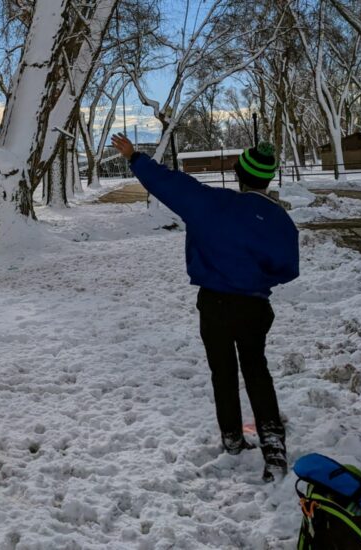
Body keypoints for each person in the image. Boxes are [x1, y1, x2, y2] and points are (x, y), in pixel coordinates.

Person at [110, 134, 299, 482]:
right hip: (255, 307)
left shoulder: (211, 203)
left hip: (214, 305)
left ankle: (231, 437)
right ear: (268, 179)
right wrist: (256, 277)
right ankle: (273, 444)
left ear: (240, 176)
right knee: (256, 369)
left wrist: (135, 156)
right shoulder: (278, 219)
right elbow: (288, 268)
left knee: (222, 372)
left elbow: (171, 184)